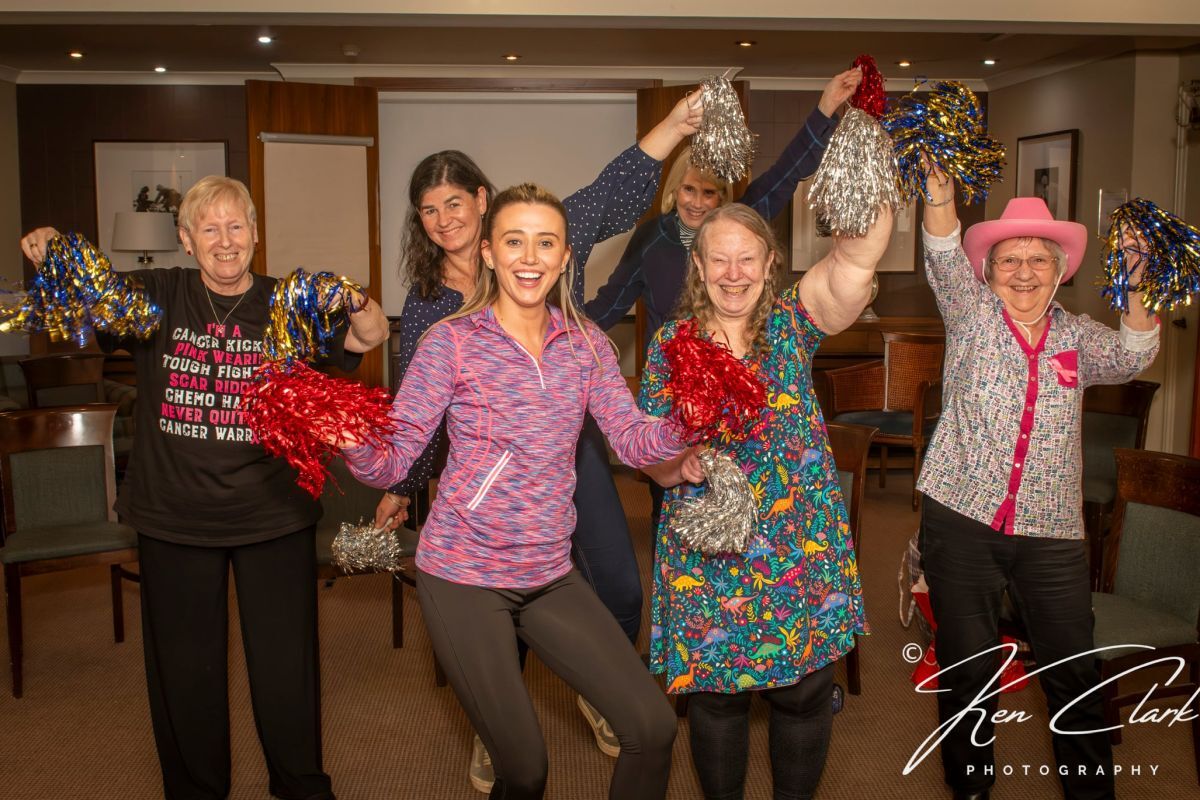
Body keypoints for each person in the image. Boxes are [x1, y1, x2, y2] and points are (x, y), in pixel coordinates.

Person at [18, 176, 389, 800]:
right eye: (209, 229)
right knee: (185, 671)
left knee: (284, 668)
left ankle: (300, 787)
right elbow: (96, 297)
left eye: (236, 226)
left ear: (255, 233)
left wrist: (352, 298)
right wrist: (59, 248)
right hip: (175, 515)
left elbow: (369, 337)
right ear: (186, 240)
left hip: (272, 513)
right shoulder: (157, 296)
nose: (225, 241)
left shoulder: (283, 305)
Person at [373, 96, 701, 786]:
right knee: (524, 768)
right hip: (463, 575)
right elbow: (397, 454)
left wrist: (696, 419)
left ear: (564, 256)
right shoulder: (446, 340)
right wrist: (337, 426)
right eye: (514, 242)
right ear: (489, 253)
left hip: (548, 572)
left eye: (545, 243)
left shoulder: (586, 346)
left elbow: (637, 441)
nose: (530, 257)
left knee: (652, 725)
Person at [916, 171, 1159, 800]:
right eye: (1009, 260)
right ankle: (970, 791)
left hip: (1051, 533)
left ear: (1059, 271)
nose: (1023, 273)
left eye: (1037, 260)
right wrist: (939, 193)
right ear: (988, 270)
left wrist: (1136, 276)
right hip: (961, 519)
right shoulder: (970, 314)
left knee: (1074, 675)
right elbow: (943, 253)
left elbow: (1134, 353)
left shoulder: (1078, 337)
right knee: (970, 675)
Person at [638, 201, 893, 800]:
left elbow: (855, 263)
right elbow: (647, 452)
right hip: (709, 549)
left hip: (797, 543)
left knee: (805, 694)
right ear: (697, 267)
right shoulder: (671, 345)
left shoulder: (792, 322)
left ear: (770, 262)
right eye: (718, 259)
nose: (733, 273)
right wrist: (678, 465)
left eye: (746, 257)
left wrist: (868, 174)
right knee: (717, 699)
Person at [584, 66, 861, 531]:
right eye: (688, 189)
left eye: (708, 192)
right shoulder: (651, 238)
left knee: (764, 517)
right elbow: (610, 304)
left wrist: (825, 109)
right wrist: (549, 333)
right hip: (677, 406)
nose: (696, 201)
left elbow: (786, 174)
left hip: (750, 402)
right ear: (675, 189)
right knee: (673, 516)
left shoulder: (742, 221)